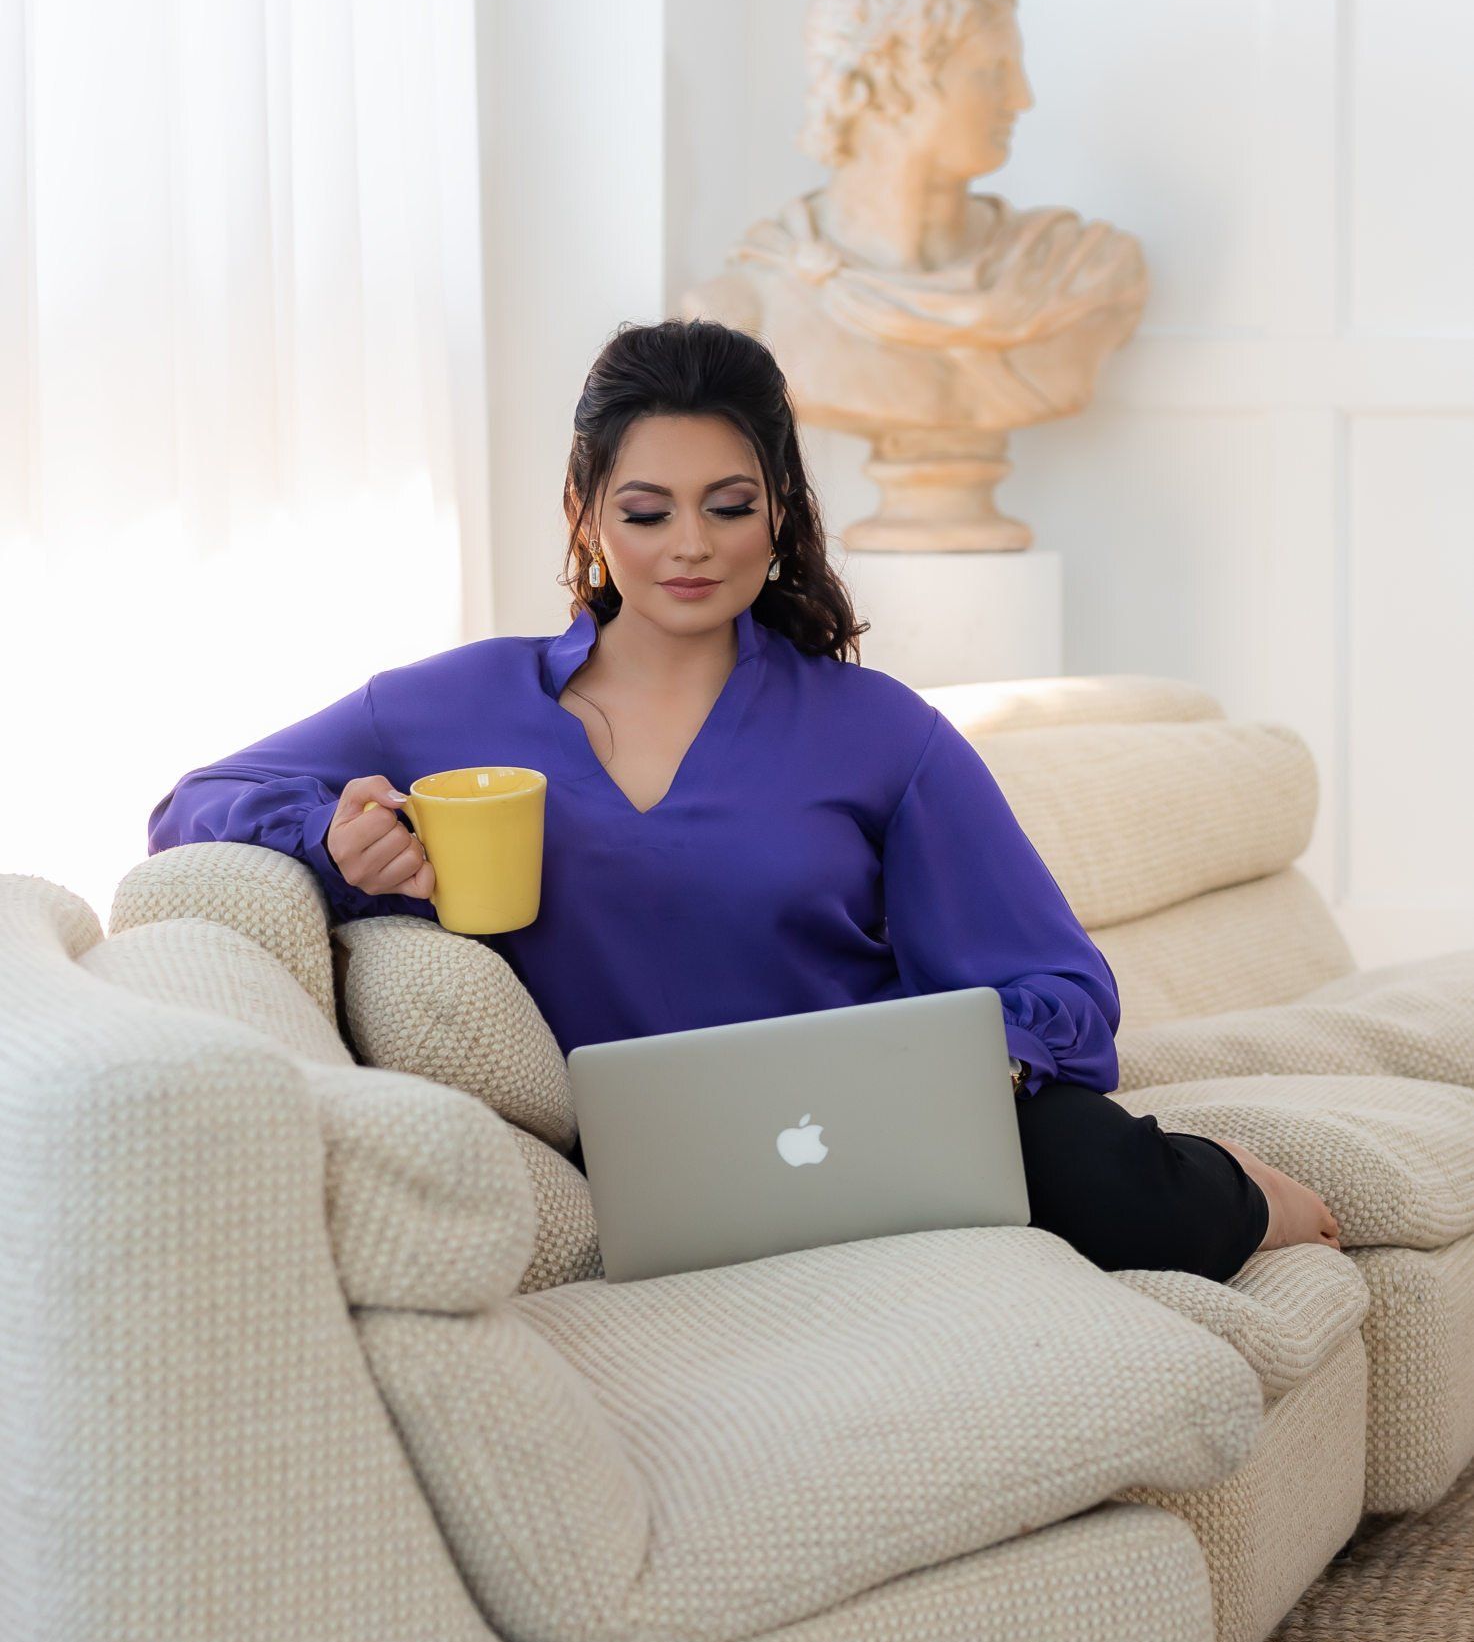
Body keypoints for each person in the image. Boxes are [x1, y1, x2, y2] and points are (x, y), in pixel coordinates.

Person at [148, 317, 1341, 1283]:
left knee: (1117, 1195)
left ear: (779, 510)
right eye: (645, 510)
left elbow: (1063, 991)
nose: (690, 546)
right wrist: (331, 837)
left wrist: (981, 1070)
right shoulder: (449, 706)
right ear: (584, 514)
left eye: (729, 504)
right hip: (636, 1161)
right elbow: (194, 806)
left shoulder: (880, 732)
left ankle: (1230, 1185)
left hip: (871, 1135)